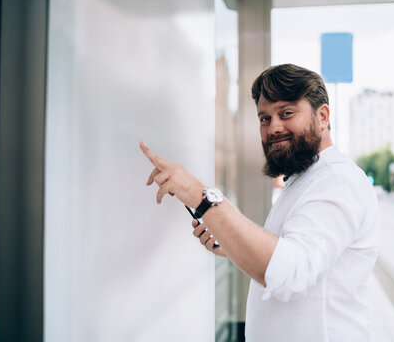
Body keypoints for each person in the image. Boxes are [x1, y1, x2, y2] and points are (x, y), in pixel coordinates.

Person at [140, 64, 380, 342]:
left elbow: (291, 272)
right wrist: (232, 242)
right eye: (264, 118)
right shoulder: (305, 180)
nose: (273, 127)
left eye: (286, 113)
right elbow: (286, 252)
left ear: (322, 115)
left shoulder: (337, 181)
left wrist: (200, 196)